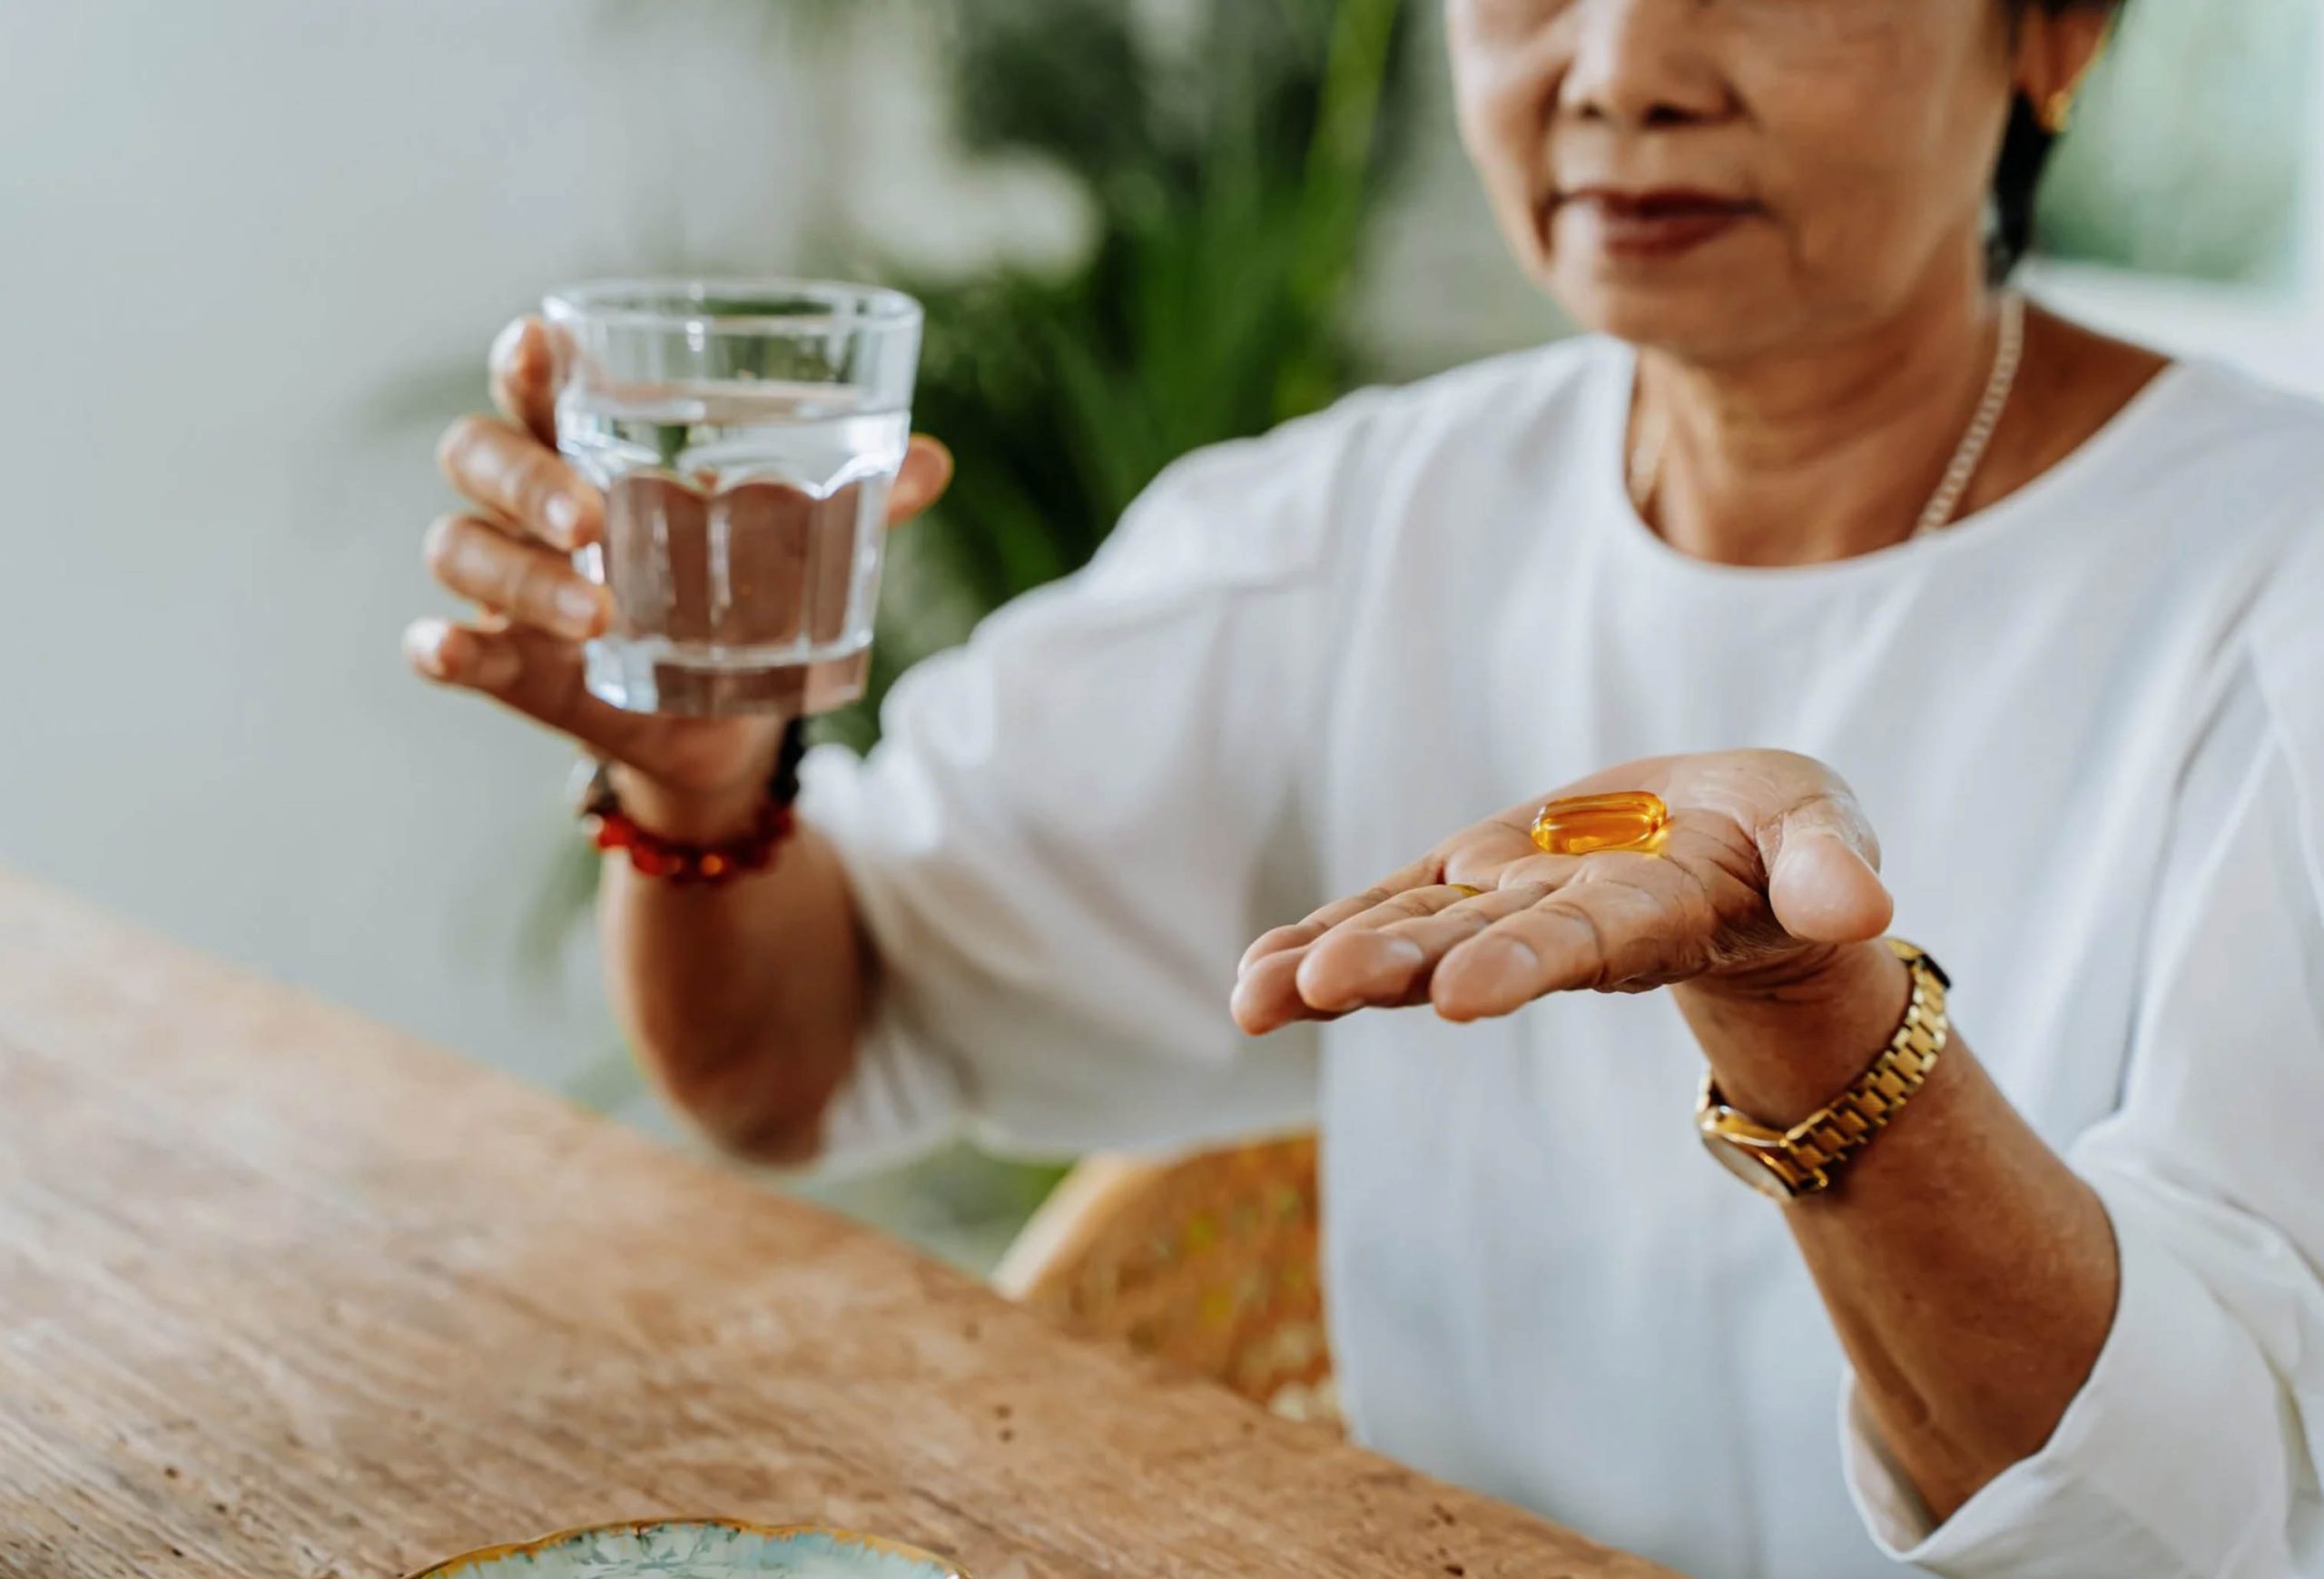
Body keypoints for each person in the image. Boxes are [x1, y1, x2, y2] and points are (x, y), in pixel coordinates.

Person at [405, 2, 2324, 1574]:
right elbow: (793, 1051)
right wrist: (704, 785)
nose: (1617, 66)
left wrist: (1808, 1021)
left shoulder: (2272, 577)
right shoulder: (1354, 529)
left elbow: (2217, 1528)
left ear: (2052, 34)